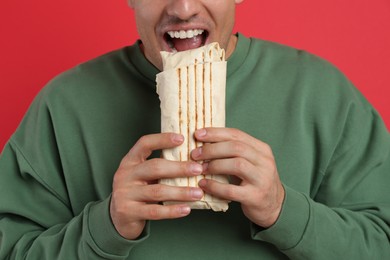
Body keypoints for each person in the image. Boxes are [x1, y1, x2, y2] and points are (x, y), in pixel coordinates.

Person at [0, 0, 389, 259]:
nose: (183, 8)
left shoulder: (321, 92)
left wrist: (282, 209)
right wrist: (107, 226)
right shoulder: (64, 104)